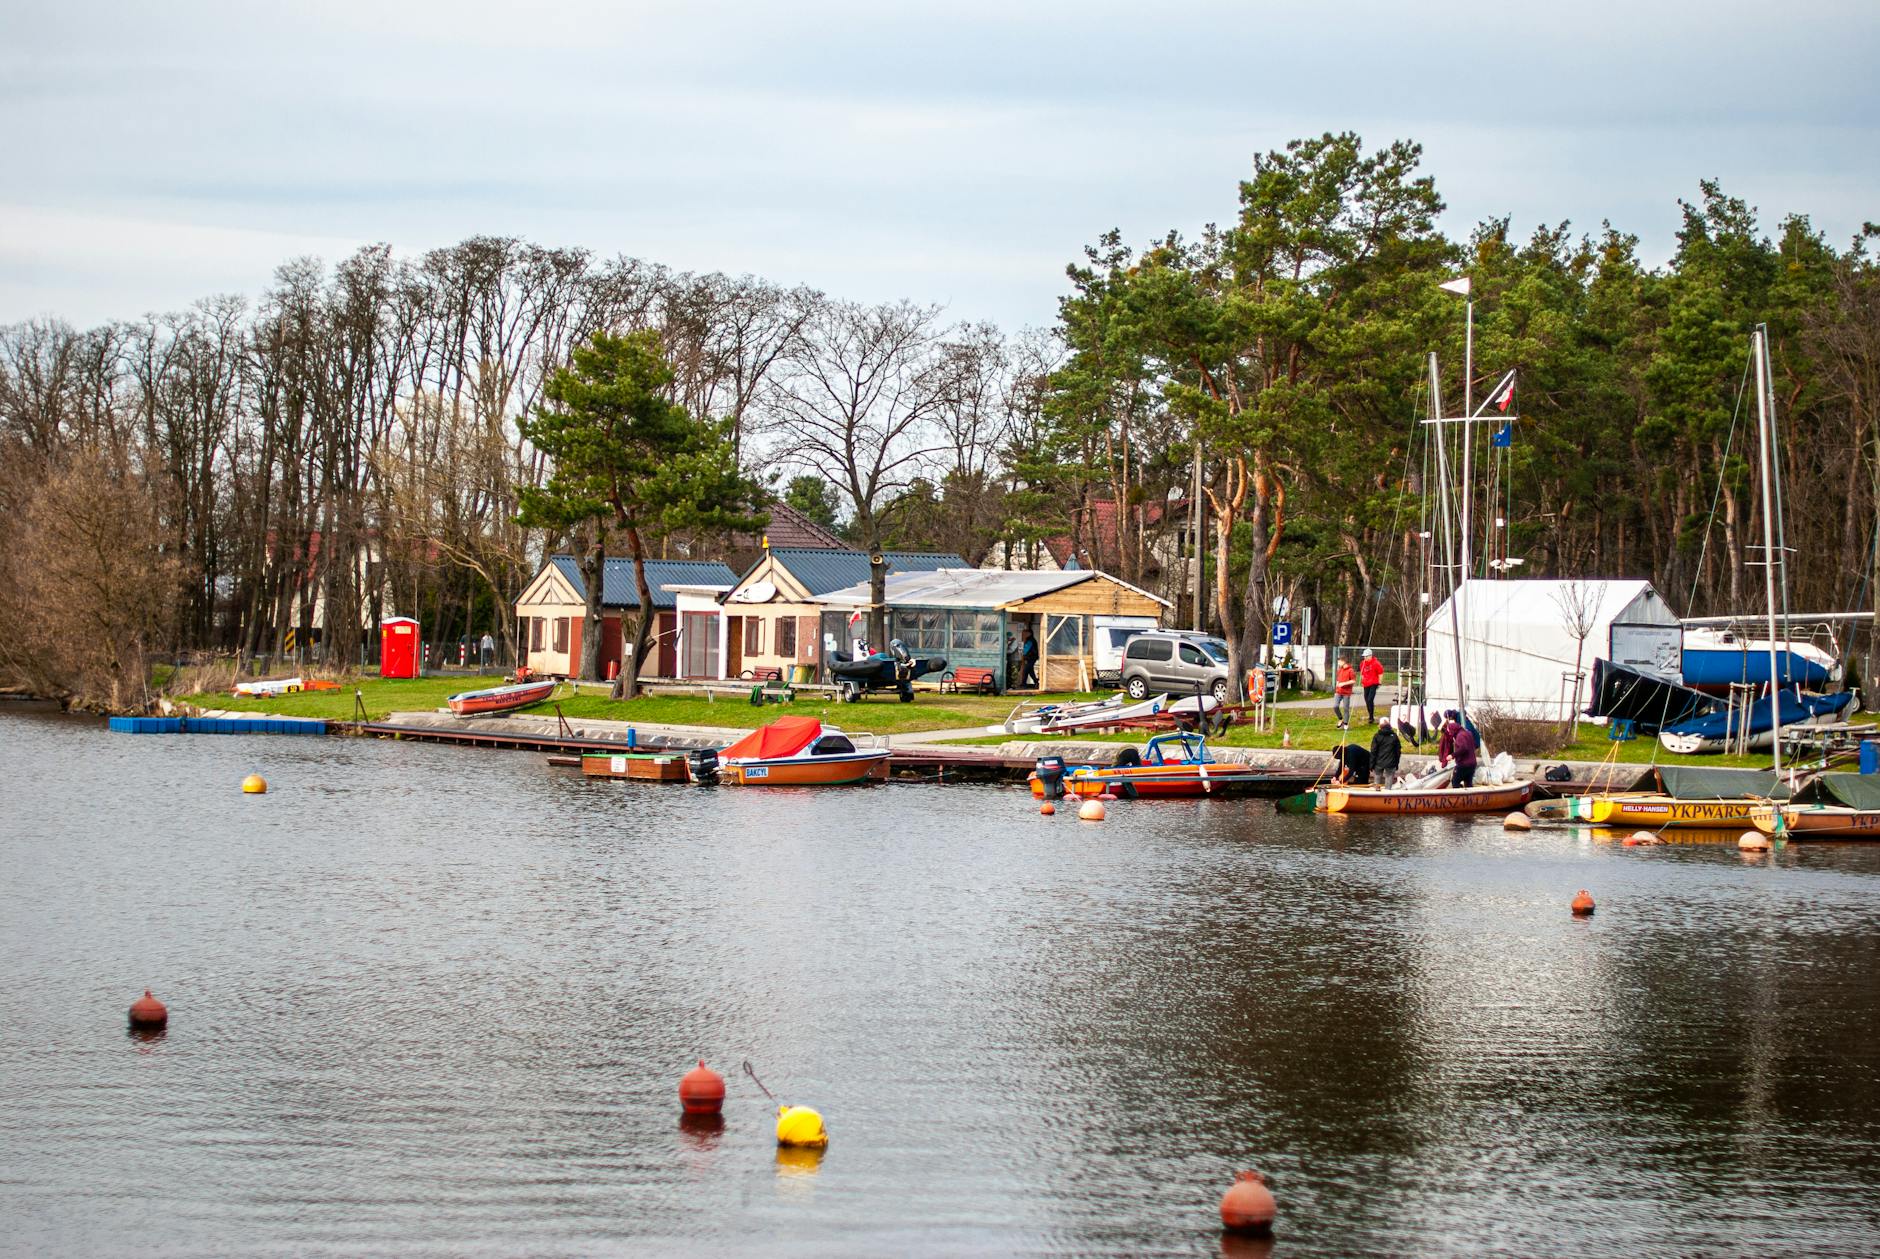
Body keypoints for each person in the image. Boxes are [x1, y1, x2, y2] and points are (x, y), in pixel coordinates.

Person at [1370, 716, 1402, 787]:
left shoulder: (1377, 736)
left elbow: (1373, 751)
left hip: (1378, 763)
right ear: (1389, 725)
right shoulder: (1394, 736)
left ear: (1380, 726)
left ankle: (1376, 794)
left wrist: (1371, 764)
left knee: (1377, 783)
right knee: (1389, 783)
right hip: (1391, 763)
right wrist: (1396, 763)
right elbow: (1398, 751)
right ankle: (1387, 795)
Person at [1359, 648, 1385, 723]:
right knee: (1366, 699)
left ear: (1370, 656)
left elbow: (1380, 673)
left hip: (1373, 683)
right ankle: (1370, 714)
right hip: (1366, 683)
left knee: (1370, 699)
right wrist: (1362, 680)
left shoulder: (1376, 663)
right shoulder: (1362, 663)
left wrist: (1379, 682)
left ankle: (1371, 717)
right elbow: (1362, 673)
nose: (1365, 658)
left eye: (1366, 656)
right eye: (1364, 656)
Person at [1332, 655, 1355, 729]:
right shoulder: (1340, 670)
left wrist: (1344, 683)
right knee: (1335, 706)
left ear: (1343, 661)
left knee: (1346, 708)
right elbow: (1338, 680)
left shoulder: (1350, 670)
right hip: (1338, 692)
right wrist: (1337, 687)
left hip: (1346, 692)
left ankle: (1345, 723)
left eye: (1339, 661)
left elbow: (1353, 680)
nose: (1338, 663)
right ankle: (1340, 719)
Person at [1018, 624, 1039, 689]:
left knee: (1026, 670)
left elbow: (1026, 649)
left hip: (1031, 657)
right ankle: (1036, 682)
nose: (1024, 634)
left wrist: (1022, 655)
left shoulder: (1030, 640)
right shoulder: (1030, 639)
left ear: (1029, 633)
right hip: (1031, 657)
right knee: (1030, 670)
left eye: (1025, 633)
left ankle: (1023, 684)